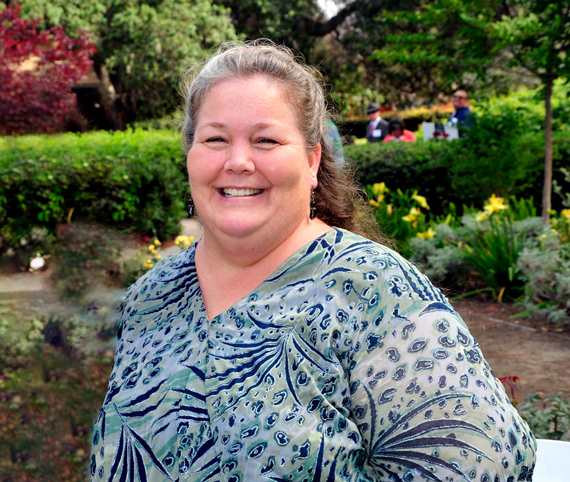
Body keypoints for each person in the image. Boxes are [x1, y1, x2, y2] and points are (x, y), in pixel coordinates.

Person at [91, 41, 536, 482]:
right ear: (191, 156)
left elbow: (482, 465)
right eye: (215, 139)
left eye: (265, 140)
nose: (238, 161)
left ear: (311, 160)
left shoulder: (373, 289)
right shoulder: (151, 296)